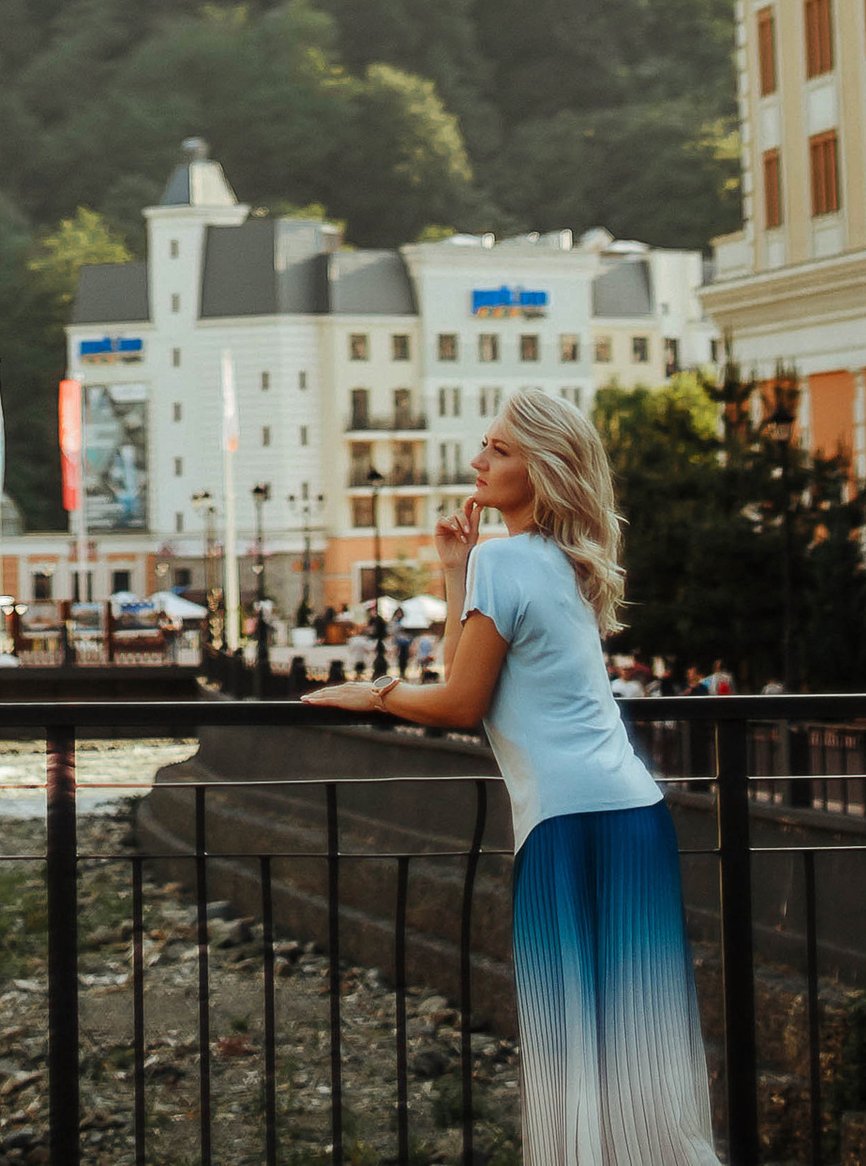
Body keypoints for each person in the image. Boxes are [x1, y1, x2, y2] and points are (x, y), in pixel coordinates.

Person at [306, 384, 715, 1166]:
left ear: (544, 468)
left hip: (565, 821)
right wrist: (457, 572)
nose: (478, 460)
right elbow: (475, 672)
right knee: (641, 1038)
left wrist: (379, 693)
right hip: (634, 810)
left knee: (569, 1039)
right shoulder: (558, 562)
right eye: (484, 445)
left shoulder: (509, 560)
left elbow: (460, 701)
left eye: (499, 449)